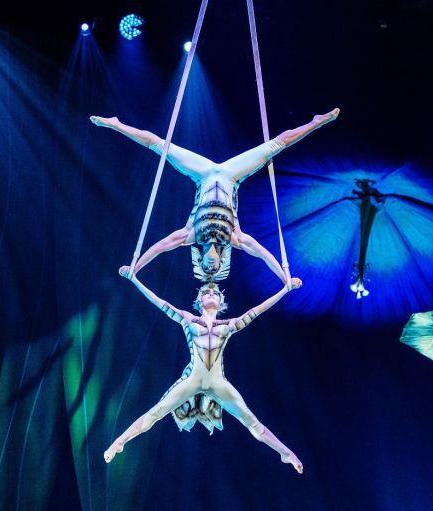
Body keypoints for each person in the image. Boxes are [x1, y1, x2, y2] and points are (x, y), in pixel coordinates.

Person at [90, 109, 339, 284]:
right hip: (231, 176)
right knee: (277, 144)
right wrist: (285, 278)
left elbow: (159, 247)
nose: (210, 267)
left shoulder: (190, 235)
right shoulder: (235, 238)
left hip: (202, 174)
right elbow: (264, 254)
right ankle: (316, 122)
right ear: (221, 262)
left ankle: (115, 124)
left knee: (158, 144)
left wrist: (135, 267)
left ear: (200, 261)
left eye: (206, 269)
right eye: (214, 269)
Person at [104, 267, 304, 474]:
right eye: (206, 292)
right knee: (157, 411)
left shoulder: (229, 324)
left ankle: (286, 453)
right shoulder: (188, 319)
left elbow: (258, 310)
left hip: (218, 383)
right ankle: (119, 442)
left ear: (221, 301)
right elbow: (159, 302)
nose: (211, 294)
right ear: (199, 300)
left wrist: (285, 290)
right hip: (192, 380)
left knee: (251, 421)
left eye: (215, 293)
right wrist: (134, 279)